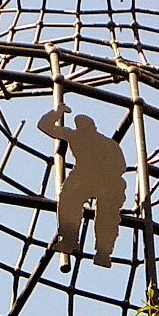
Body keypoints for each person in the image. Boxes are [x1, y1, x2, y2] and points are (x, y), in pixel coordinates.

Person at [37, 104, 126, 267]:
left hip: (104, 180)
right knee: (69, 198)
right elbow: (44, 126)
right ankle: (72, 241)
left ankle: (102, 251)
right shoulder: (77, 136)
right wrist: (57, 112)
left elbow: (120, 167)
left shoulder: (101, 142)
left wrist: (105, 174)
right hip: (86, 177)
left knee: (106, 211)